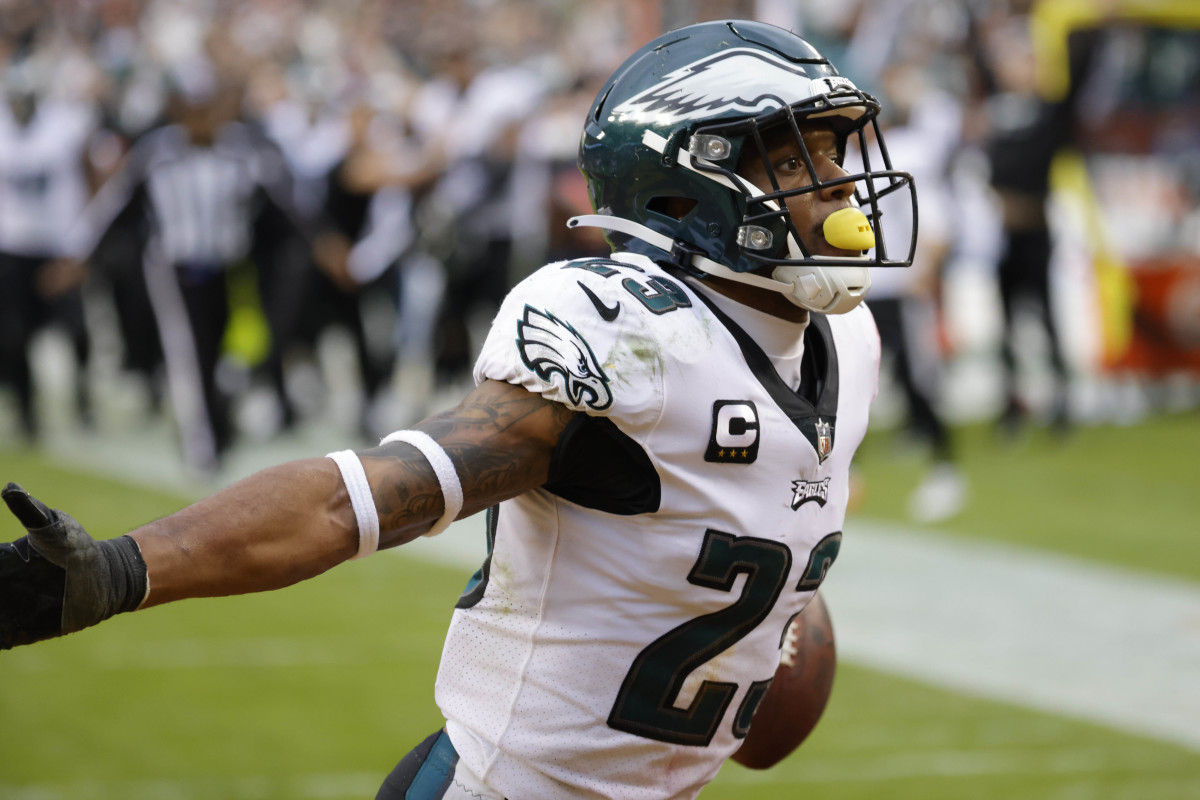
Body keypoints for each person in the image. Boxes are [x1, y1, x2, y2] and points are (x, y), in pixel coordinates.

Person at [0, 20, 915, 800]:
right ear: (689, 182)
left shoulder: (851, 343)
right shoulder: (627, 329)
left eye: (835, 150)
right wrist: (121, 571)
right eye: (796, 155)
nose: (837, 181)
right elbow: (361, 497)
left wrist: (777, 628)